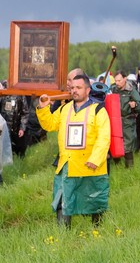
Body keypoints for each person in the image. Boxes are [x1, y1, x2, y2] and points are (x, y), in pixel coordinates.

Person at [36, 74, 111, 229]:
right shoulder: (65, 109)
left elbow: (104, 138)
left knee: (94, 200)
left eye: (79, 88)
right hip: (68, 164)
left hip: (90, 166)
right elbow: (49, 125)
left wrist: (95, 159)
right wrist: (43, 108)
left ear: (88, 90)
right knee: (62, 200)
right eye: (73, 88)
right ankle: (63, 235)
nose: (74, 91)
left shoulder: (98, 110)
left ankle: (98, 232)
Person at [110, 70, 140, 167]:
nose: (117, 83)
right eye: (116, 81)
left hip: (127, 120)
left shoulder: (131, 90)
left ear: (125, 79)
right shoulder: (112, 89)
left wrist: (135, 105)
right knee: (115, 143)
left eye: (119, 80)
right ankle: (117, 165)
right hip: (114, 121)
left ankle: (129, 168)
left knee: (127, 145)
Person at [0, 88, 30, 158]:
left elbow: (25, 113)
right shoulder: (3, 95)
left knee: (20, 149)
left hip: (17, 127)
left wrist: (22, 128)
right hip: (4, 127)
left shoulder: (20, 95)